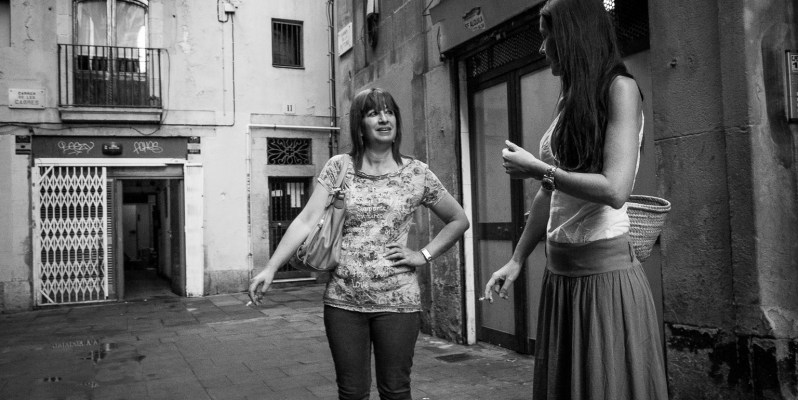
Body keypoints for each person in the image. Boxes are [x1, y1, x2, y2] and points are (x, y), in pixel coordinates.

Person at [482, 0, 668, 399]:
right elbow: (550, 195)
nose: (542, 47)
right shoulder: (569, 100)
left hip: (604, 282)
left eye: (548, 36)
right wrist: (516, 260)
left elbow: (615, 189)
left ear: (574, 36)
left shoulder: (622, 89)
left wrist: (538, 168)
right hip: (561, 279)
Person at [249, 88, 470, 400]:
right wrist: (271, 268)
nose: (383, 119)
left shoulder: (417, 173)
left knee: (395, 391)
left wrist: (423, 254)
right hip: (343, 302)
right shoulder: (340, 167)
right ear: (360, 124)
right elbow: (306, 220)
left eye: (388, 112)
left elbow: (459, 219)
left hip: (398, 301)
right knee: (352, 393)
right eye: (373, 113)